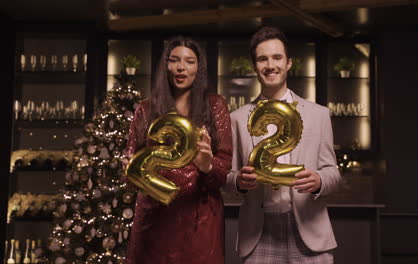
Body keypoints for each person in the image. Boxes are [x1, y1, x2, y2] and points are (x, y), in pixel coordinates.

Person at [225, 27, 341, 263]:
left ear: (289, 63)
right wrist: (238, 181)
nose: (270, 65)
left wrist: (319, 181)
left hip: (309, 233)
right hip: (258, 235)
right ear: (254, 66)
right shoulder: (237, 118)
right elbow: (227, 177)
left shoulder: (318, 115)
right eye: (262, 59)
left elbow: (333, 174)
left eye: (277, 57)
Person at [125, 36, 232, 264]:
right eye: (174, 60)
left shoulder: (215, 106)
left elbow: (222, 173)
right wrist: (130, 170)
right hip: (154, 221)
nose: (181, 67)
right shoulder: (145, 110)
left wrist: (207, 166)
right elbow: (131, 169)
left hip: (200, 221)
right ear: (166, 65)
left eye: (189, 61)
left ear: (198, 67)